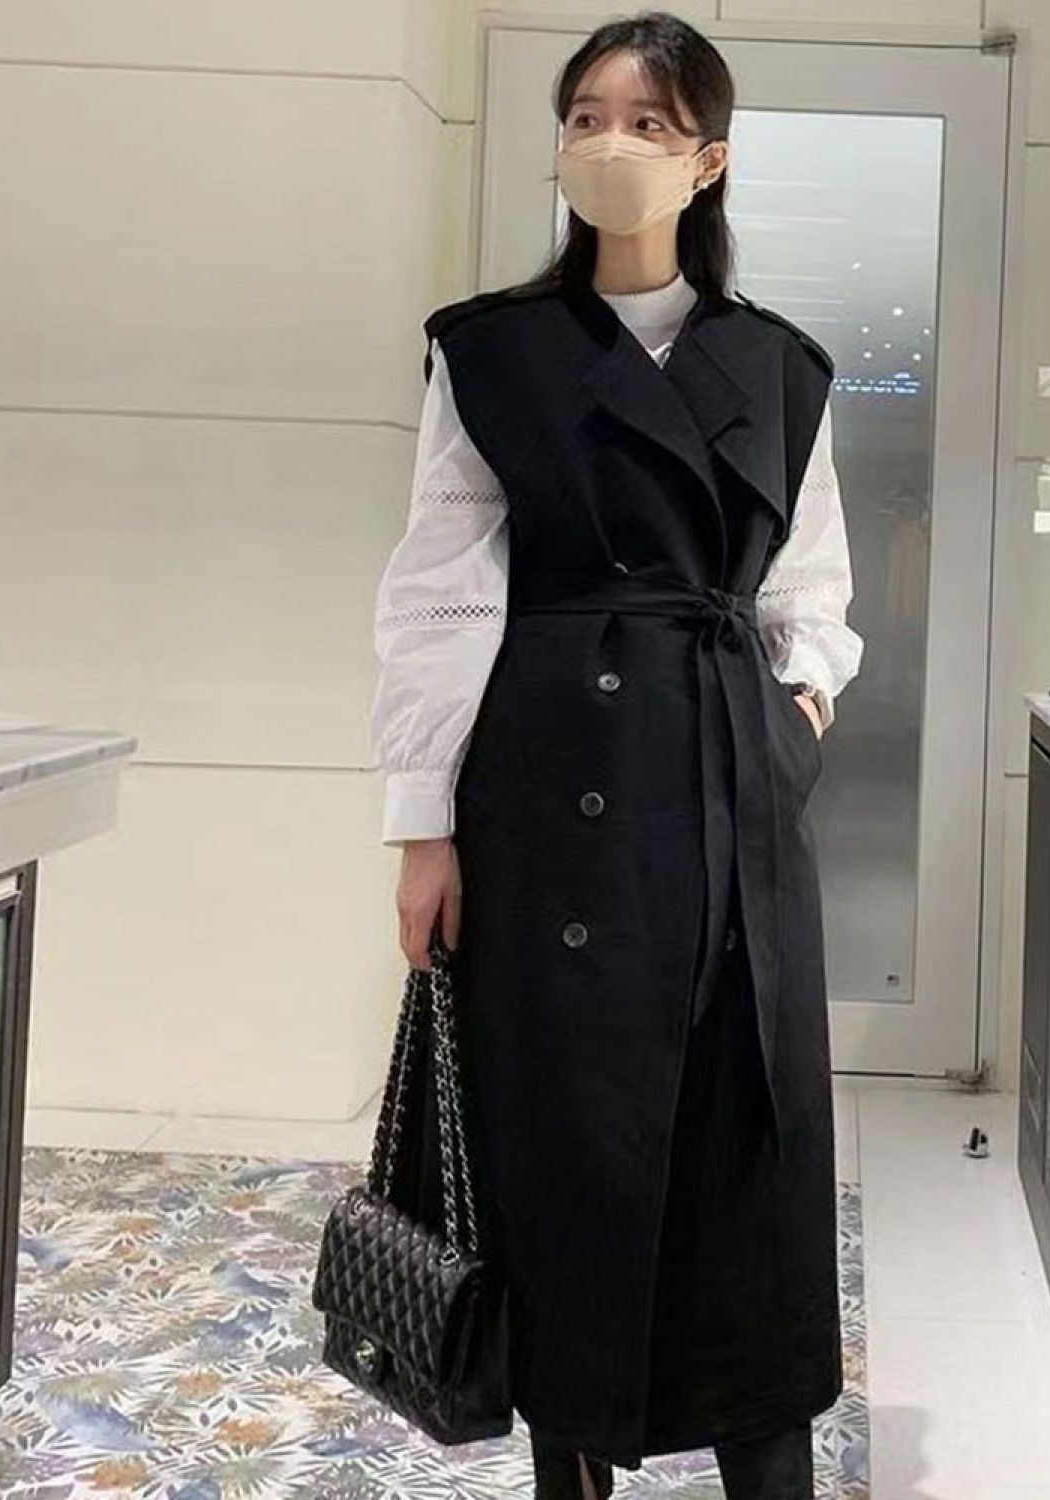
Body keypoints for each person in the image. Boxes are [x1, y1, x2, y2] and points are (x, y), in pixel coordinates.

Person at [368, 11, 863, 1498]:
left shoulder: (779, 366)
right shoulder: (490, 352)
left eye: (649, 122)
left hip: (729, 792)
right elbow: (439, 592)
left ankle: (765, 1460)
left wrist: (793, 718)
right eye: (587, 114)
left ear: (709, 161)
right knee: (566, 1142)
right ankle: (571, 1459)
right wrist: (422, 822)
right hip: (549, 798)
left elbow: (814, 592)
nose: (610, 143)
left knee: (746, 1147)